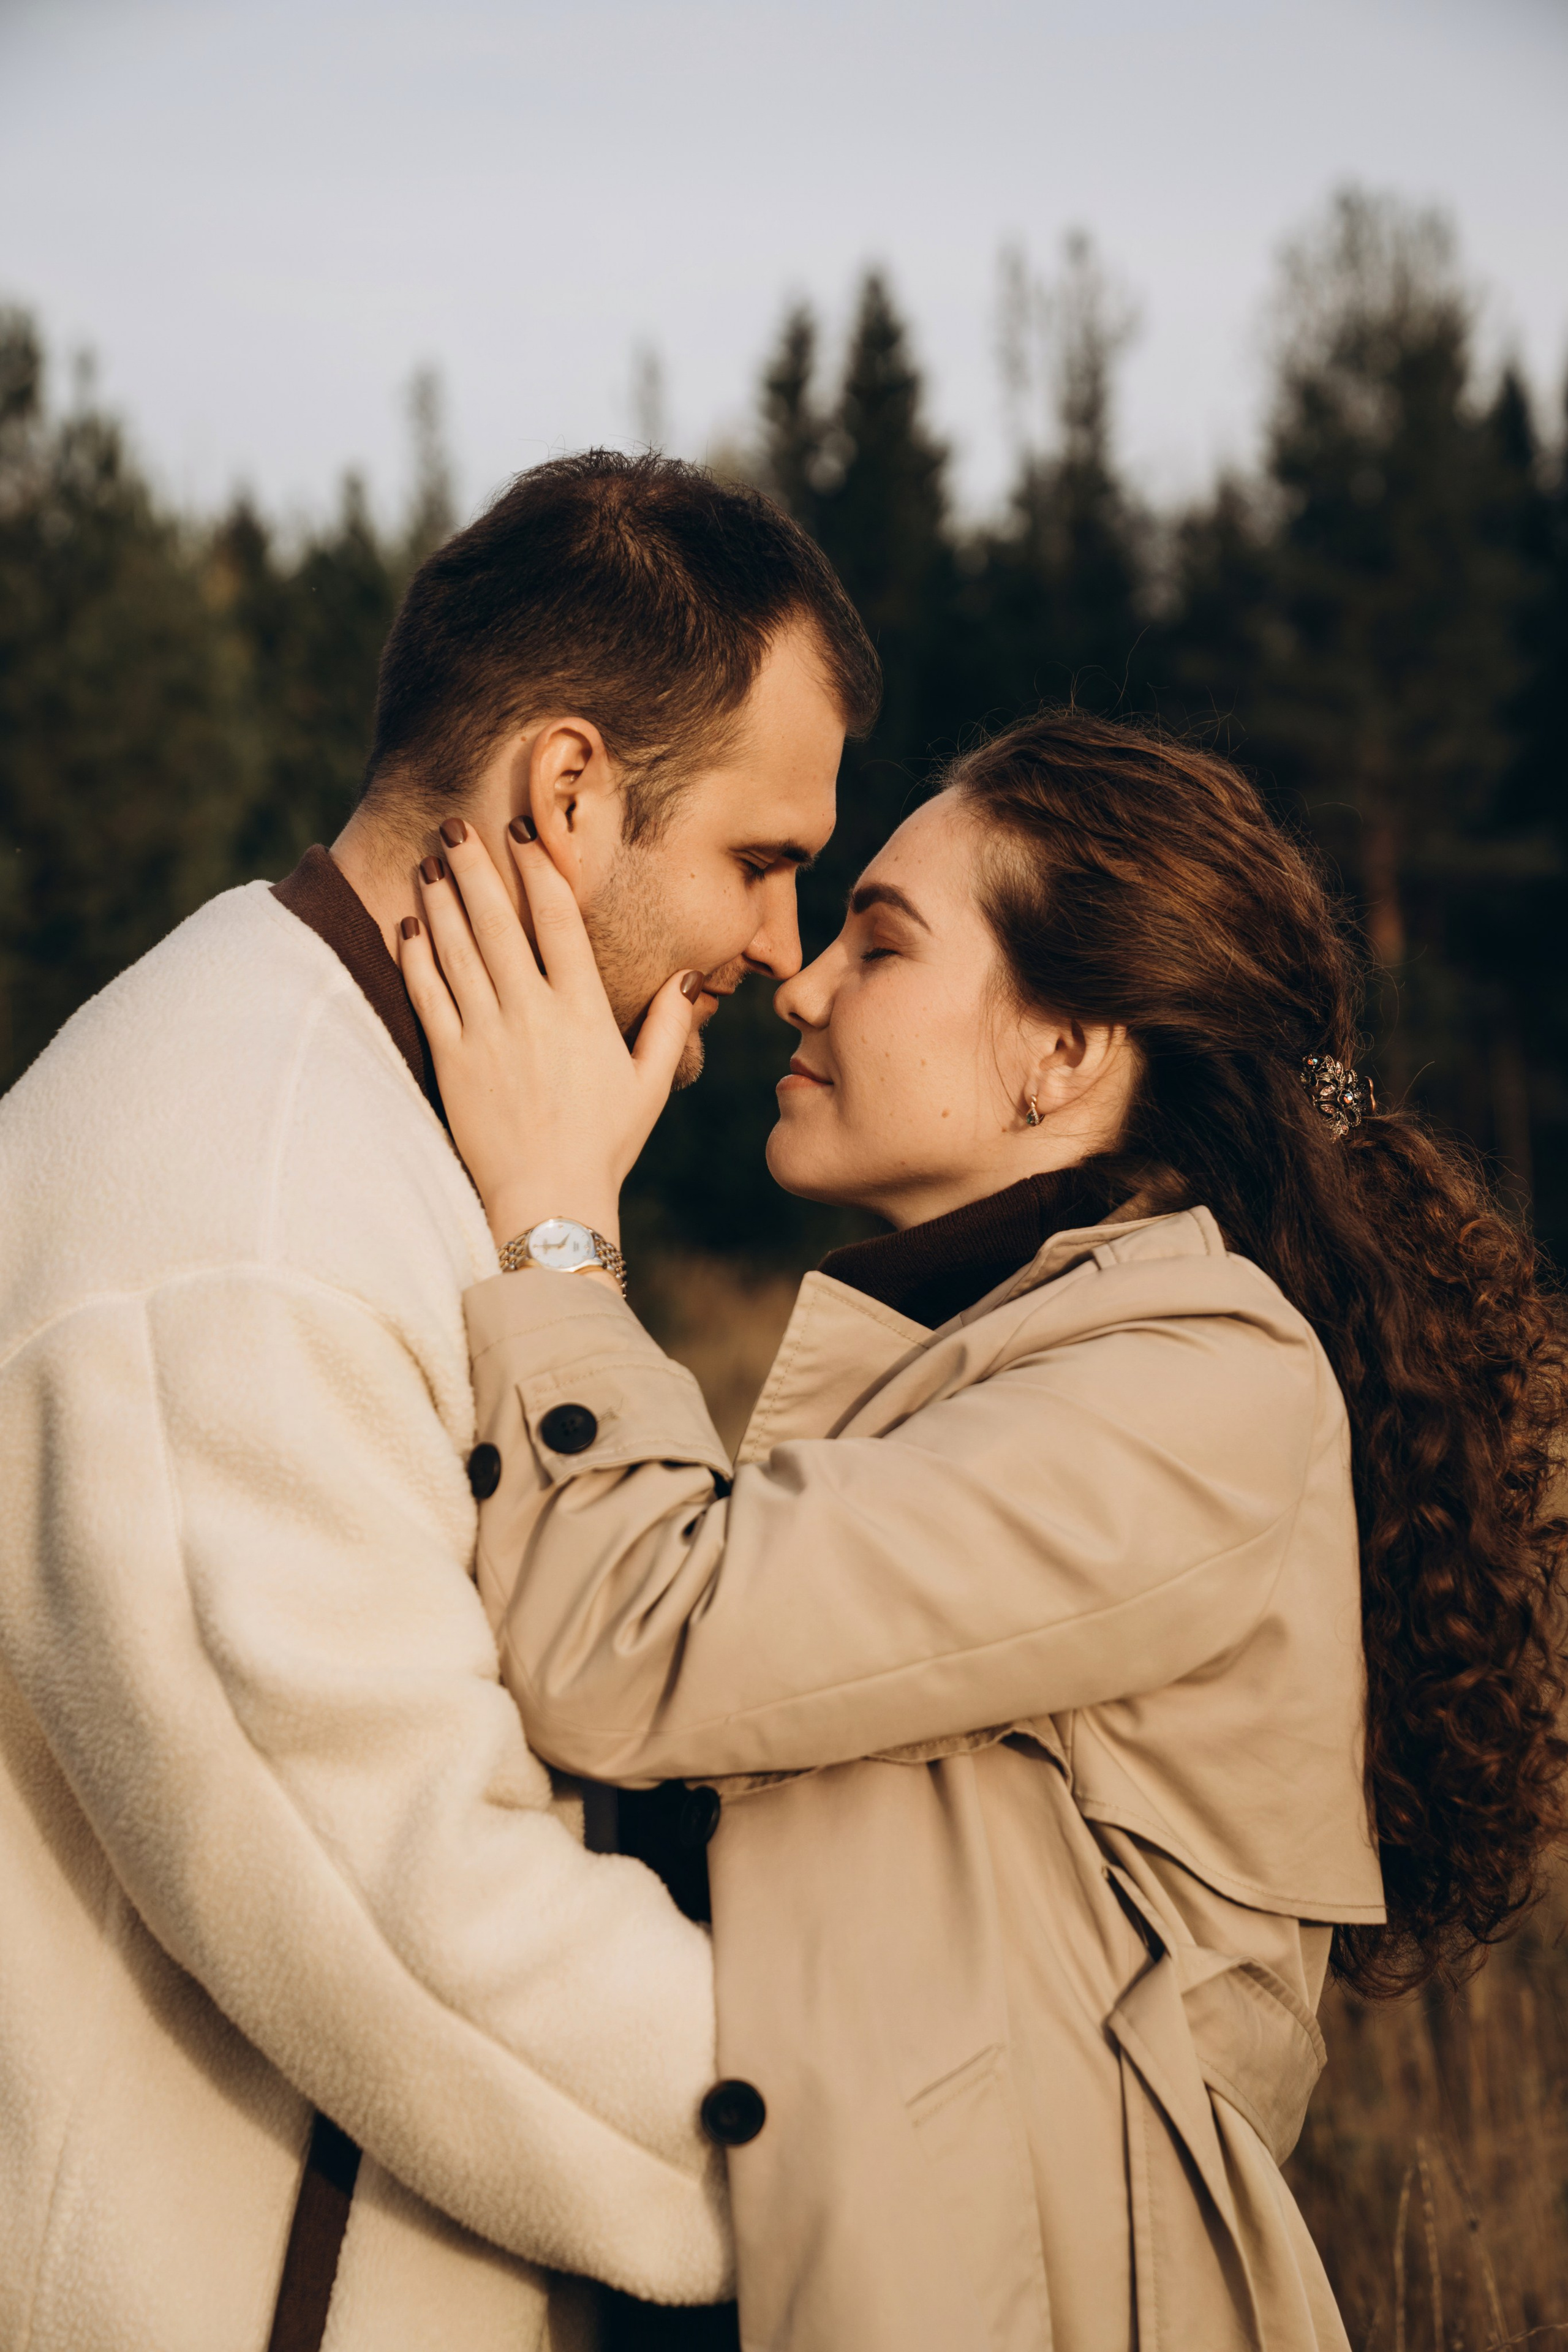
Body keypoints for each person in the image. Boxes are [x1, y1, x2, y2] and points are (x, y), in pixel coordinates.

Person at [404, 709, 1567, 2352]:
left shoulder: (1198, 1382)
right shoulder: (981, 1371)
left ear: (1066, 1053)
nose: (800, 983)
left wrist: (556, 1228)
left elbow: (632, 1647)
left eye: (879, 944)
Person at [0, 450, 878, 2352]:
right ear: (570, 793)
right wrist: (888, 2156)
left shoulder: (370, 1121)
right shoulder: (240, 1194)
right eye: (761, 858)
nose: (784, 950)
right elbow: (405, 1912)